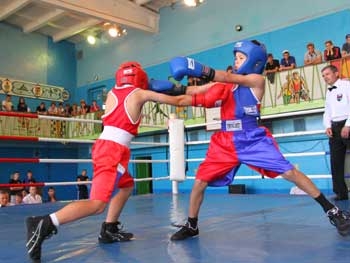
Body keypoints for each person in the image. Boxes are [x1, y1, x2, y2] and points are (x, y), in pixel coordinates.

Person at [153, 40, 350, 240]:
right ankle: (192, 224)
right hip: (224, 141)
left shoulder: (257, 80)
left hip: (252, 138)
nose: (236, 61)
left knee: (289, 172)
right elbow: (192, 92)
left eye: (241, 58)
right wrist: (162, 90)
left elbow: (226, 75)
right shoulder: (224, 86)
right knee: (200, 182)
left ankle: (332, 211)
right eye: (235, 58)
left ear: (254, 62)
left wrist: (199, 69)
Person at [24, 61, 190, 262]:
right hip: (111, 151)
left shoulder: (112, 92)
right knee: (97, 205)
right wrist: (188, 90)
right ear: (141, 79)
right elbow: (180, 101)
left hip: (110, 148)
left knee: (126, 186)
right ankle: (44, 223)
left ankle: (109, 229)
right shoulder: (140, 94)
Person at [322, 64, 350, 201]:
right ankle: (341, 192)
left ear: (336, 73)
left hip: (347, 124)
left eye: (327, 74)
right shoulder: (328, 91)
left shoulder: (346, 85)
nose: (325, 77)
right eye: (323, 76)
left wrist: (348, 125)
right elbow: (327, 110)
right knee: (335, 162)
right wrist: (327, 125)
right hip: (334, 128)